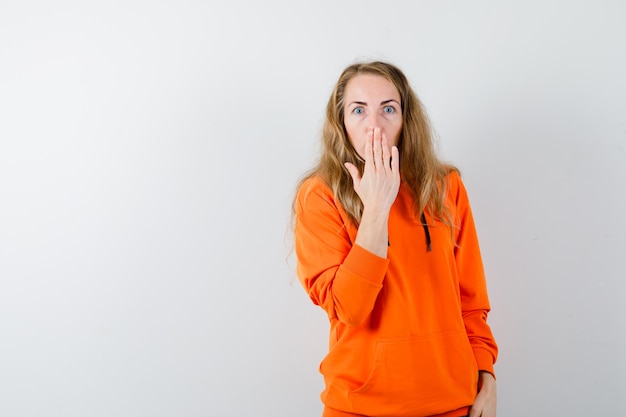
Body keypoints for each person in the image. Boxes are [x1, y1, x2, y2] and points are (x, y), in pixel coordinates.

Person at [292, 61, 498, 417]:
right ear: (341, 122)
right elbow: (349, 309)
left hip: (452, 402)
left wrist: (487, 376)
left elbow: (471, 301)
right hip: (357, 407)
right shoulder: (319, 195)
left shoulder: (445, 187)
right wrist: (376, 207)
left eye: (389, 108)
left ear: (406, 119)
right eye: (359, 110)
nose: (375, 125)